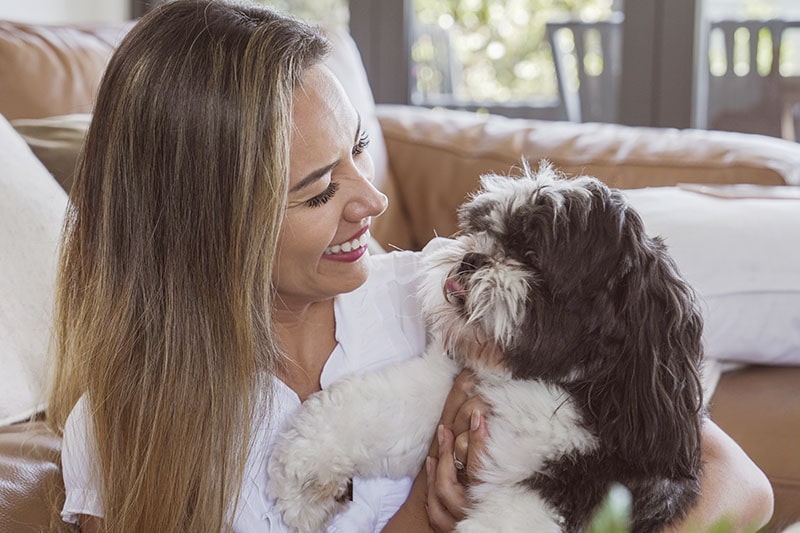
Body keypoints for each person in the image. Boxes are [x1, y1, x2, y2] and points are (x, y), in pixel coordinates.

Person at [47, 1, 773, 532]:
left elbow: (738, 483)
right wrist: (427, 517)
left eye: (359, 149)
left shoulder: (441, 298)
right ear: (211, 229)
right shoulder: (126, 429)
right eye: (319, 190)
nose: (374, 198)